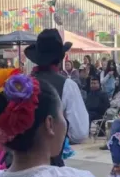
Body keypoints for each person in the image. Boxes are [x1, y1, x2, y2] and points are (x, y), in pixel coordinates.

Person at [25, 29, 89, 167]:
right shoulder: (67, 85)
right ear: (60, 59)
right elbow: (79, 133)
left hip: (18, 163)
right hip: (49, 163)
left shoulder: (20, 84)